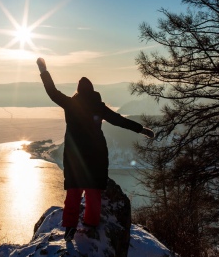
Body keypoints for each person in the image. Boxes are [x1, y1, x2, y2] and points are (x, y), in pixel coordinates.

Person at [36, 57, 154, 241]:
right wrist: (141, 130)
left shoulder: (70, 104)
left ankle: (69, 228)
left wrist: (43, 71)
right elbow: (119, 120)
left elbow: (52, 92)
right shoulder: (99, 107)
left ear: (78, 91)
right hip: (96, 156)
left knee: (73, 193)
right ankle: (91, 225)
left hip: (75, 157)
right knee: (93, 193)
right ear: (92, 91)